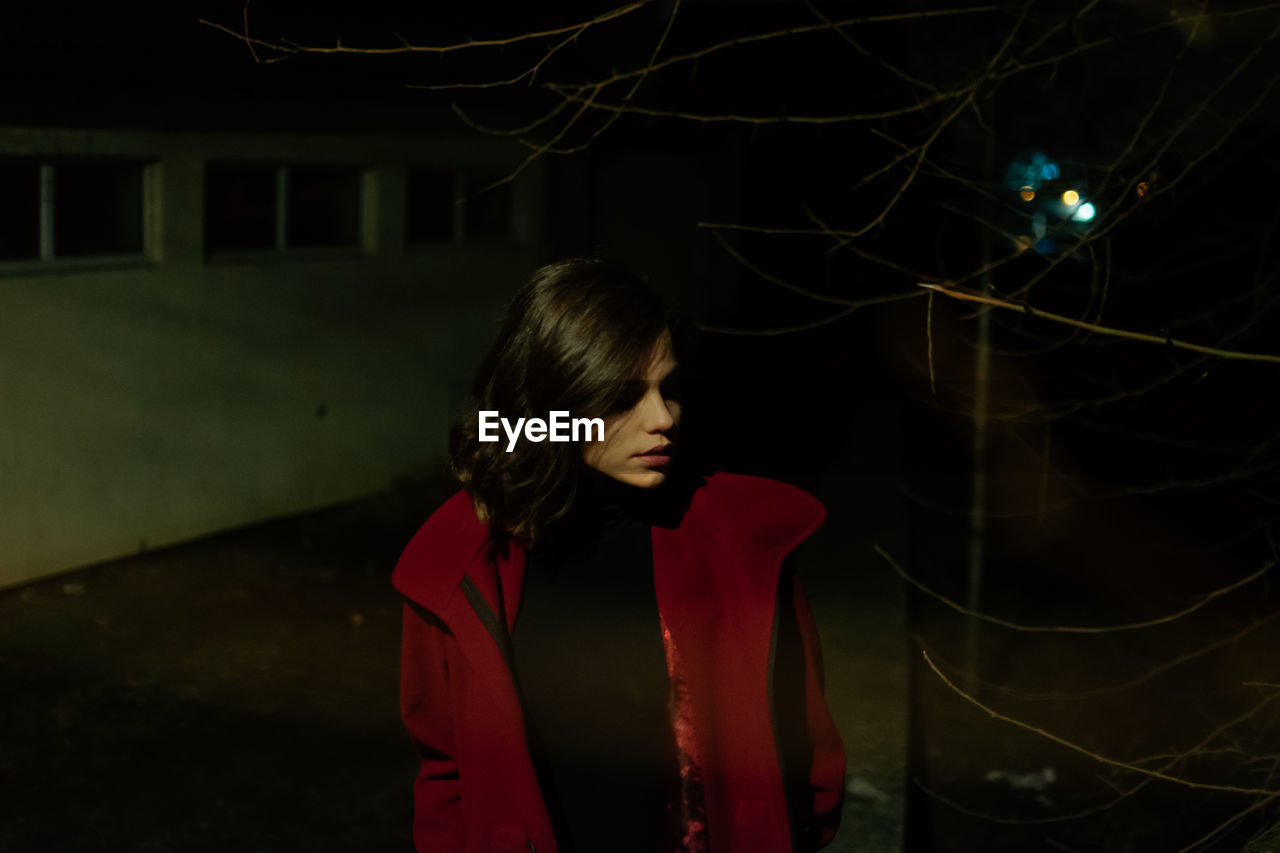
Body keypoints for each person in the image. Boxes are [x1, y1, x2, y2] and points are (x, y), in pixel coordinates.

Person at [393, 258, 845, 853]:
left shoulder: (741, 549)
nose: (662, 420)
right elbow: (444, 771)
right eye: (624, 397)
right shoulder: (460, 564)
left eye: (669, 389)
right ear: (554, 409)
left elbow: (806, 750)